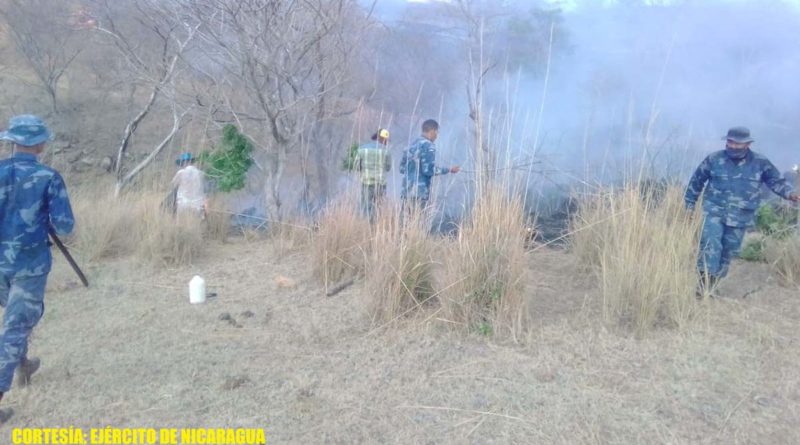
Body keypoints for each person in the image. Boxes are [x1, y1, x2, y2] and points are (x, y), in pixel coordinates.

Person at [0, 115, 74, 421]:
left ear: (14, 141)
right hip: (29, 264)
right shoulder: (49, 177)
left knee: (17, 316)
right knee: (17, 325)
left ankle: (24, 365)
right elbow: (65, 226)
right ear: (39, 145)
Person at [684, 126, 799, 295]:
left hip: (741, 216)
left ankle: (713, 285)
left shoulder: (760, 163)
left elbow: (776, 181)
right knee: (710, 245)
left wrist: (791, 194)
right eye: (730, 142)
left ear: (748, 144)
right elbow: (696, 181)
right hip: (713, 211)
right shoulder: (714, 159)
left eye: (738, 143)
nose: (733, 146)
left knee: (728, 252)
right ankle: (703, 286)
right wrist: (689, 205)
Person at [400, 119, 460, 216]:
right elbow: (428, 170)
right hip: (419, 192)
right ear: (432, 131)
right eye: (437, 132)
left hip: (406, 191)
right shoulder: (429, 145)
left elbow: (402, 169)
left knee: (405, 221)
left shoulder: (410, 145)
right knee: (418, 221)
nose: (437, 135)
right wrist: (449, 170)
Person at [354, 128, 392, 222]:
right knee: (378, 207)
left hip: (367, 183)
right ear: (384, 139)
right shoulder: (386, 151)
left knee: (366, 207)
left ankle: (367, 227)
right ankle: (376, 226)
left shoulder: (362, 149)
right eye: (386, 140)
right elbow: (388, 168)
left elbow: (356, 166)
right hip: (381, 184)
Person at [170, 152, 207, 219]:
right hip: (198, 204)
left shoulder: (181, 173)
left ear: (184, 162)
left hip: (183, 204)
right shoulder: (201, 173)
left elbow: (173, 184)